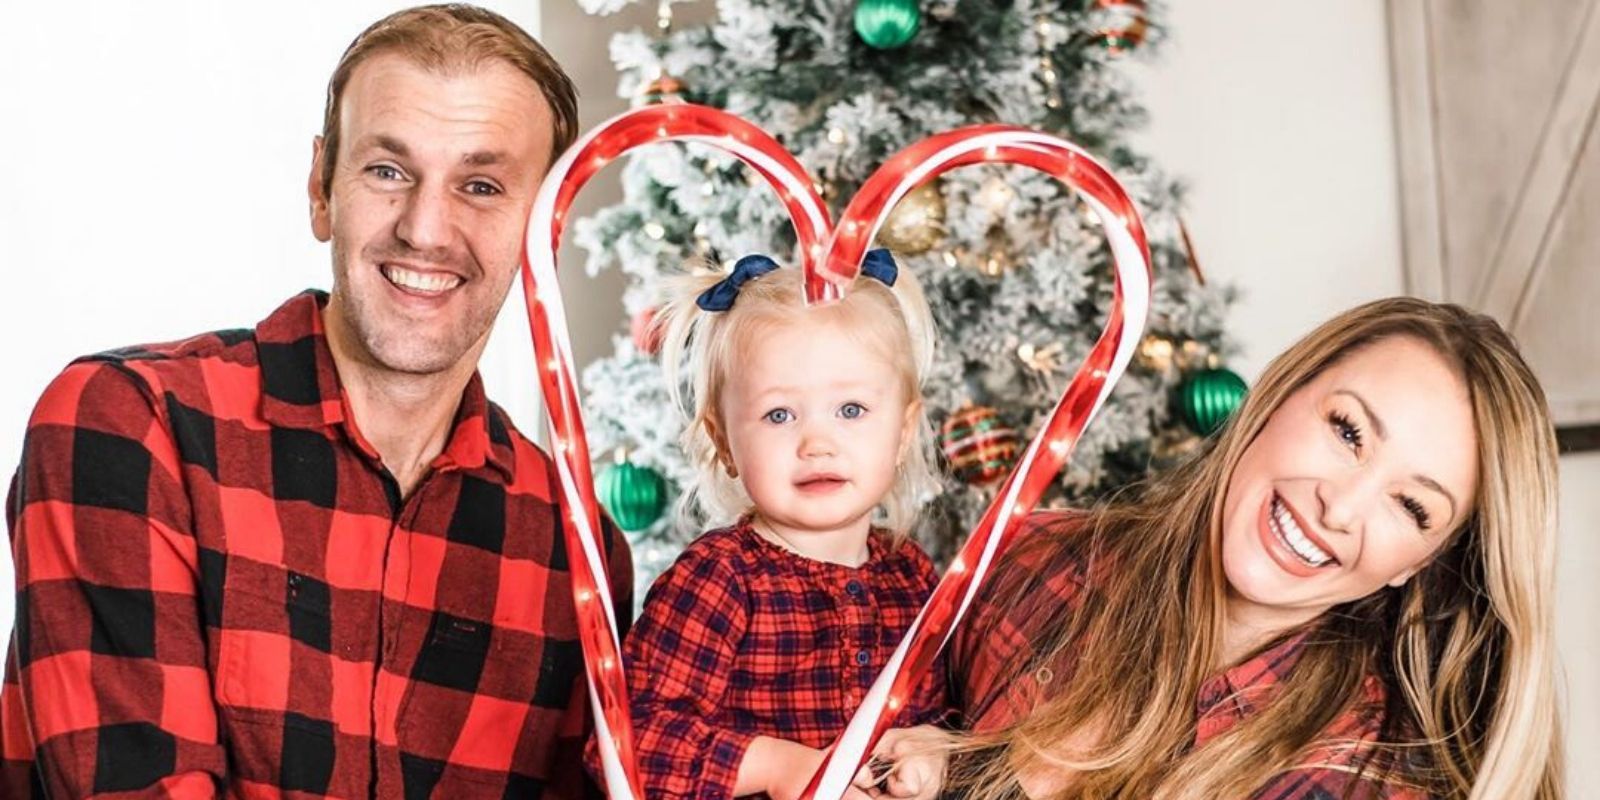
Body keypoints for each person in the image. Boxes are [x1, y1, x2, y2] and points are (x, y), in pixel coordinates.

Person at [0, 6, 632, 797]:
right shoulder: (129, 423)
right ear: (320, 188)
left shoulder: (575, 547)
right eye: (388, 171)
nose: (426, 228)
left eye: (481, 184)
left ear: (547, 228)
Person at [866, 298, 1564, 799]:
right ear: (1277, 395)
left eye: (1411, 507)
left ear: (1418, 562)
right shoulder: (1039, 560)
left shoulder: (1363, 780)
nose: (1340, 507)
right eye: (1348, 432)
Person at [588, 251, 948, 800]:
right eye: (780, 415)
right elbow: (628, 743)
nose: (817, 443)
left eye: (851, 409)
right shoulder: (719, 579)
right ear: (724, 441)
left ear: (903, 431)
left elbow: (946, 712)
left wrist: (930, 747)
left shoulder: (912, 577)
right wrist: (781, 769)